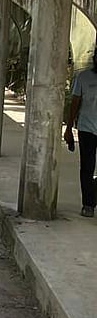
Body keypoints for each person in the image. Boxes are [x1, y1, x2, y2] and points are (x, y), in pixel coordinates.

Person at [65, 58, 97, 217]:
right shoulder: (83, 78)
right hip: (87, 130)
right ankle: (88, 204)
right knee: (87, 168)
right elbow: (75, 103)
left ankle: (93, 193)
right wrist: (69, 129)